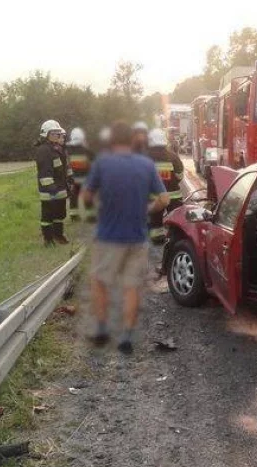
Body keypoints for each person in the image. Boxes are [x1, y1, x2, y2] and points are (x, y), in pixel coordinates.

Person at [81, 121, 169, 354]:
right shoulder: (146, 164)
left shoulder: (102, 163)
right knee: (132, 287)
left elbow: (87, 196)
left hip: (108, 237)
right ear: (132, 141)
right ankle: (126, 336)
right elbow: (164, 199)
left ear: (111, 141)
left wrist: (95, 202)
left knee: (100, 281)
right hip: (137, 237)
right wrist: (148, 209)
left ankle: (101, 329)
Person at [35, 119, 72, 246]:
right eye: (55, 133)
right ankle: (48, 239)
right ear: (47, 134)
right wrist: (51, 187)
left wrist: (67, 184)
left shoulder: (57, 148)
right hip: (49, 191)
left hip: (60, 188)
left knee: (60, 214)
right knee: (48, 216)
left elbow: (62, 169)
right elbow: (45, 171)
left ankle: (59, 235)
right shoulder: (44, 150)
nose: (58, 135)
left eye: (58, 133)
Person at [147, 127, 184, 245]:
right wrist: (172, 183)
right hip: (174, 197)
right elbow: (180, 175)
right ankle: (175, 238)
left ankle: (158, 239)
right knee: (177, 219)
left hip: (155, 197)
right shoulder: (173, 156)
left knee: (155, 219)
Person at [66, 127, 96, 223]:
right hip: (85, 178)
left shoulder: (67, 150)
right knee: (87, 197)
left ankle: (74, 216)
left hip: (73, 179)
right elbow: (94, 161)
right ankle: (91, 217)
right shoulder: (86, 150)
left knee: (74, 197)